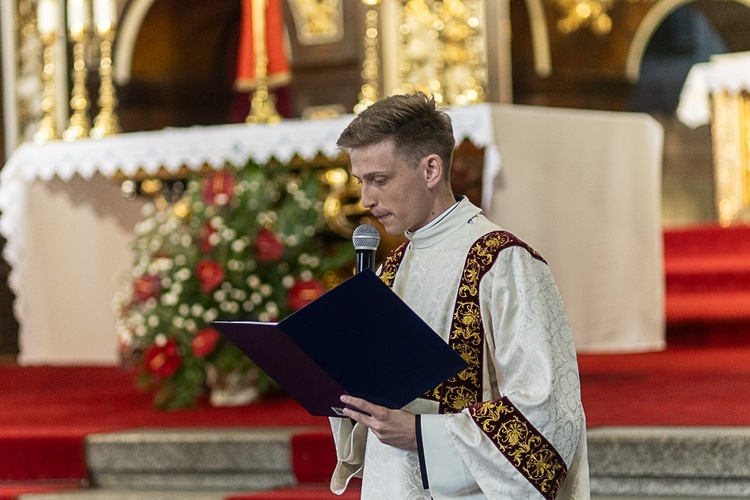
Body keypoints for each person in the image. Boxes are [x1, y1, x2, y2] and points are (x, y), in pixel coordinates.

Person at [329, 92, 590, 499]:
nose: (366, 200)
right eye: (361, 182)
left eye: (380, 180)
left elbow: (548, 415)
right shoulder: (389, 269)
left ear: (431, 169)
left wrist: (421, 433)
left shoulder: (503, 263)